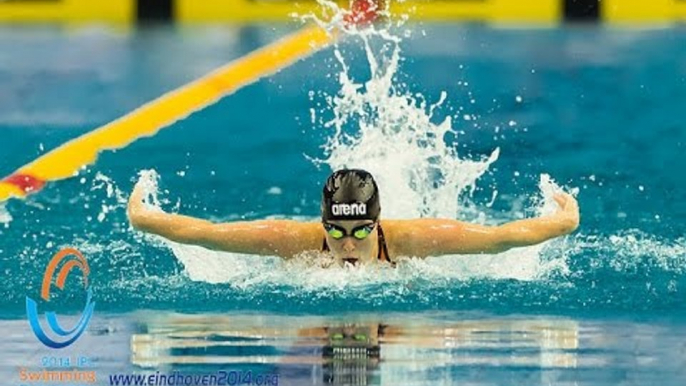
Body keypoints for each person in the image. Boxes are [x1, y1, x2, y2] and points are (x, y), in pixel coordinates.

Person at [127, 169, 579, 266]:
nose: (347, 243)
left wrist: (562, 223)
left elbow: (498, 238)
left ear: (378, 223)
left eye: (361, 230)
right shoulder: (292, 240)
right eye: (336, 231)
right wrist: (144, 218)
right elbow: (208, 235)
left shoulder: (412, 239)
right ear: (322, 222)